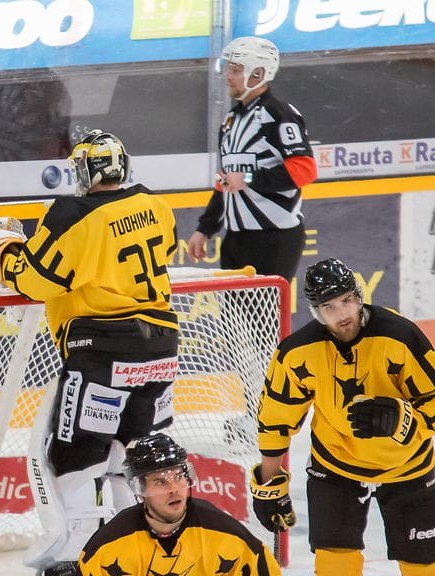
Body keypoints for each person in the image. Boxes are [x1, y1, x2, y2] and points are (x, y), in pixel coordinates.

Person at [0, 130, 180, 576]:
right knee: (133, 454)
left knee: (78, 453)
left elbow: (35, 278)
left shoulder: (73, 213)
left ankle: (79, 556)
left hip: (103, 353)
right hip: (161, 349)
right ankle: (141, 551)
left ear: (84, 171)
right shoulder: (156, 205)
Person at [252, 257, 435, 576]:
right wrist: (271, 484)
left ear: (358, 296)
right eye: (329, 307)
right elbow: (275, 418)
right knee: (335, 565)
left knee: (424, 567)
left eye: (347, 301)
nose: (343, 314)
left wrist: (404, 420)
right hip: (335, 465)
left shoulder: (399, 336)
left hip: (408, 466)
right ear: (315, 311)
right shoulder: (297, 352)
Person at [186, 36, 317, 282]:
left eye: (235, 70)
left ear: (257, 74)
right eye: (228, 69)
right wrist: (205, 228)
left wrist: (247, 178)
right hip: (236, 237)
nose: (228, 76)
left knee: (263, 319)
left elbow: (304, 170)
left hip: (274, 237)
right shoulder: (231, 120)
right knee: (233, 320)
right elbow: (225, 182)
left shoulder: (278, 114)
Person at [77, 433, 281, 575]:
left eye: (178, 477)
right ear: (140, 490)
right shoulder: (108, 546)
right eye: (160, 482)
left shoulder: (226, 536)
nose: (174, 489)